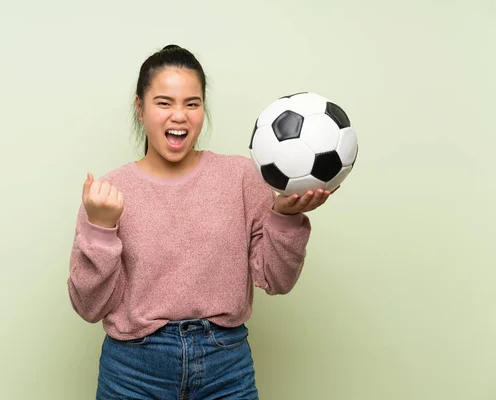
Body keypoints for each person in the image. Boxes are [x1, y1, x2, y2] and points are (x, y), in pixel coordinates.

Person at [67, 44, 335, 399]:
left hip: (225, 365)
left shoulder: (242, 176)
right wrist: (101, 230)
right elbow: (89, 307)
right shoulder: (108, 192)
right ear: (140, 109)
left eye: (191, 103)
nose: (179, 115)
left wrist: (286, 217)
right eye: (164, 102)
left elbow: (276, 281)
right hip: (133, 371)